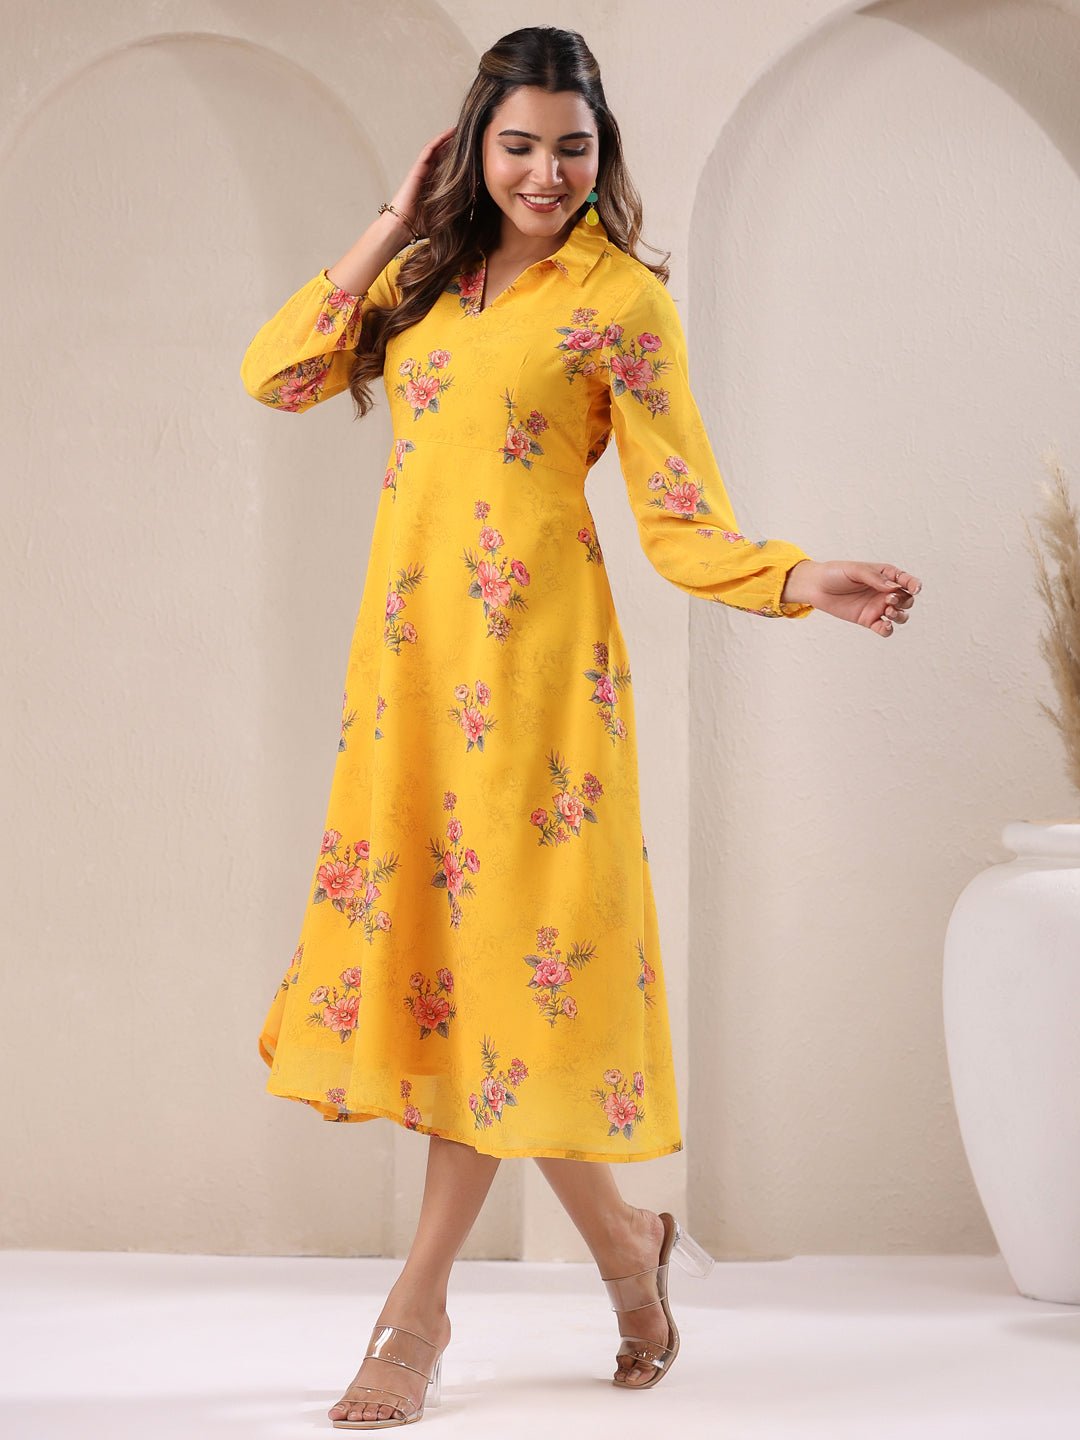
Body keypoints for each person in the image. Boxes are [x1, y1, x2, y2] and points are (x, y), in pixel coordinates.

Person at [240, 24, 922, 1431]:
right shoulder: (426, 283)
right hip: (410, 680)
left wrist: (799, 578)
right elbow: (278, 373)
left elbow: (681, 520)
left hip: (542, 692)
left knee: (507, 979)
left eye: (573, 147)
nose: (546, 172)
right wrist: (392, 219)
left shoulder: (622, 301)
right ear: (473, 149)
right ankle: (630, 1249)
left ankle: (417, 1311)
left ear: (603, 155)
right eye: (519, 145)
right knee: (480, 993)